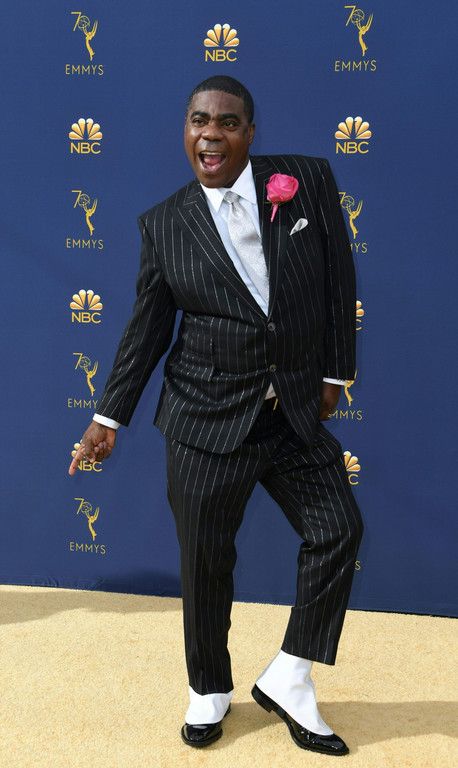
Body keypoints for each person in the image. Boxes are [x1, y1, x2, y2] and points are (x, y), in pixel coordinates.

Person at [68, 75, 364, 756]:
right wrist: (107, 418)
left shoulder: (304, 182)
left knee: (338, 530)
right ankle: (208, 689)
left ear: (249, 133)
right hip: (204, 418)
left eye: (228, 122)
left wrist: (334, 373)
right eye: (199, 120)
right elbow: (146, 331)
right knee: (205, 563)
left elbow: (339, 277)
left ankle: (290, 676)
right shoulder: (165, 225)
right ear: (186, 131)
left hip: (287, 411)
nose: (211, 133)